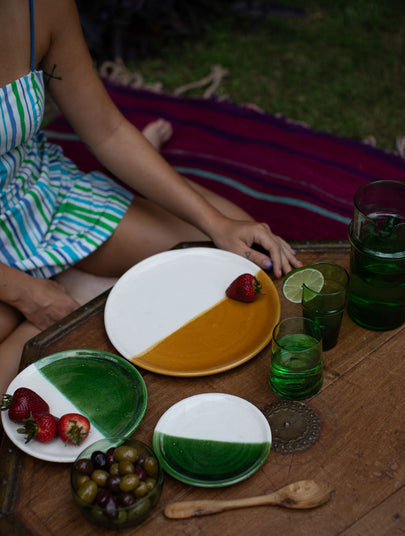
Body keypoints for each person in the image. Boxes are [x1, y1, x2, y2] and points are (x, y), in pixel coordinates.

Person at [0, 0, 302, 394]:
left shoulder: (41, 7)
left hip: (40, 196)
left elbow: (106, 130)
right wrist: (23, 291)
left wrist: (217, 223)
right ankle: (83, 286)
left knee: (238, 261)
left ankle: (80, 283)